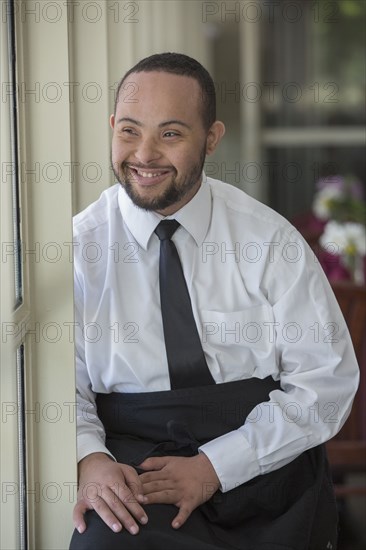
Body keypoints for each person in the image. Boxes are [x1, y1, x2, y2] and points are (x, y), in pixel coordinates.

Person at [69, 52, 359, 550]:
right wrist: (87, 458)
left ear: (212, 138)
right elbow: (61, 394)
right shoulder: (76, 248)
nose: (145, 154)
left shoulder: (270, 241)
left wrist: (214, 467)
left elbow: (326, 381)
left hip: (266, 463)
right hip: (138, 473)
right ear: (113, 126)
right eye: (130, 131)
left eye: (172, 134)